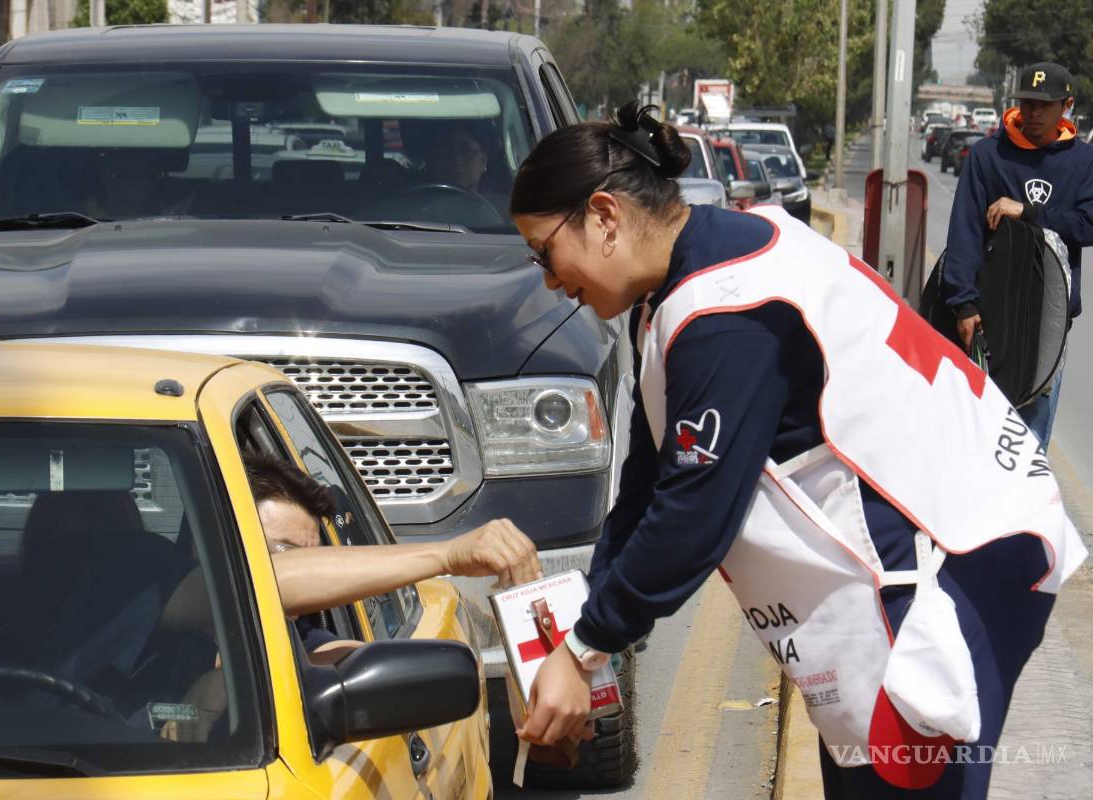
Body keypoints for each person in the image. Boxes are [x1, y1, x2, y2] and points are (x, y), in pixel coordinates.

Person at [509, 102, 1086, 798]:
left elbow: (692, 519)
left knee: (901, 773)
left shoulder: (726, 309)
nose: (547, 279)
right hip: (918, 548)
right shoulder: (681, 285)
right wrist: (587, 637)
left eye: (544, 253)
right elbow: (647, 485)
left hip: (957, 556)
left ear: (603, 217)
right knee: (860, 768)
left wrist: (585, 649)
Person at [158, 453, 540, 740]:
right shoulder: (150, 598)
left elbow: (354, 665)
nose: (311, 585)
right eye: (284, 552)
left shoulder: (304, 644)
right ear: (204, 548)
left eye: (316, 557)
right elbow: (257, 584)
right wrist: (447, 555)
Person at [942, 61, 1093, 448]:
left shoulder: (1083, 162)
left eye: (1045, 105)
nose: (1034, 113)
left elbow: (1086, 225)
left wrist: (1028, 212)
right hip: (988, 317)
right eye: (1027, 103)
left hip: (1049, 322)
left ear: (1067, 106)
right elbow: (964, 232)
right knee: (979, 432)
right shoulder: (988, 156)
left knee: (1030, 443)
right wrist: (962, 303)